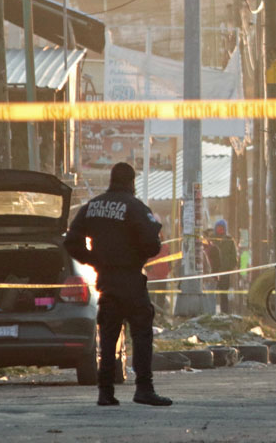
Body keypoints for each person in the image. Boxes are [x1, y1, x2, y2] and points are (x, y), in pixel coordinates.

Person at [64, 162, 173, 407]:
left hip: (105, 281)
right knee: (141, 334)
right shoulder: (135, 207)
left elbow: (71, 241)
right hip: (131, 281)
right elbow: (152, 244)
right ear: (132, 182)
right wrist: (136, 255)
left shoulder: (92, 207)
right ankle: (144, 389)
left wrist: (93, 260)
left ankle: (105, 392)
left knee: (109, 337)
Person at [211, 219, 238, 313]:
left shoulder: (229, 240)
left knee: (224, 294)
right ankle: (211, 312)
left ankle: (224, 313)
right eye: (218, 228)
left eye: (222, 228)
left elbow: (234, 257)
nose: (220, 230)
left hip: (225, 273)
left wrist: (228, 268)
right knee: (211, 294)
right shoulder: (211, 239)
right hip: (213, 272)